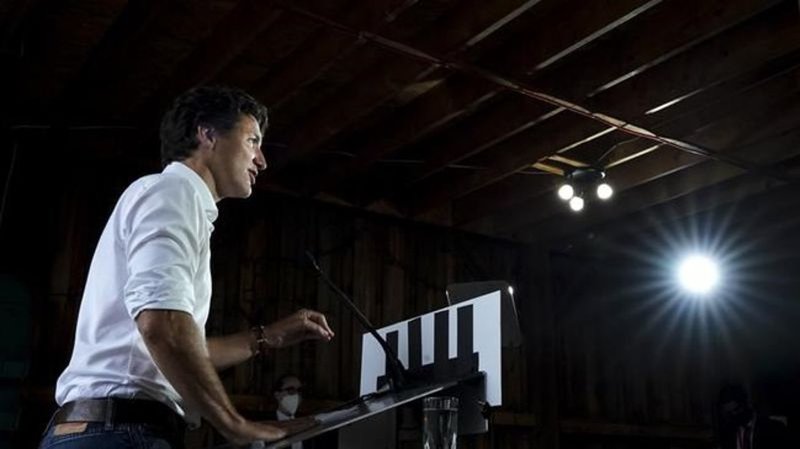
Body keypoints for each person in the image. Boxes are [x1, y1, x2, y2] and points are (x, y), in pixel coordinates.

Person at [38, 86, 335, 449]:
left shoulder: (176, 200)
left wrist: (267, 337)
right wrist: (234, 424)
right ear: (207, 134)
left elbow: (175, 346)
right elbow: (163, 326)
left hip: (111, 430)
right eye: (253, 141)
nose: (262, 161)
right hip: (120, 432)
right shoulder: (174, 193)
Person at [716, 384, 790, 449]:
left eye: (737, 409)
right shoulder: (728, 434)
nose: (734, 415)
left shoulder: (772, 428)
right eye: (729, 413)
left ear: (746, 403)